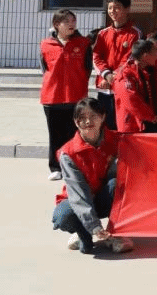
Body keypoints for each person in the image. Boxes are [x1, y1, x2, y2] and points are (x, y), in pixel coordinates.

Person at [51, 98, 132, 255]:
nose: (88, 122)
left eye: (93, 116)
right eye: (82, 118)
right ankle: (83, 233)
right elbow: (78, 194)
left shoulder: (118, 141)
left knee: (117, 184)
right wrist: (94, 226)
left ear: (102, 117)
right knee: (62, 216)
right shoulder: (68, 153)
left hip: (104, 197)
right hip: (79, 200)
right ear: (76, 122)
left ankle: (116, 232)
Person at [40, 9, 91, 180]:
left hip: (76, 96)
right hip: (52, 97)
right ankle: (55, 167)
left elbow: (87, 68)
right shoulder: (46, 44)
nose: (72, 24)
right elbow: (45, 69)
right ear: (56, 24)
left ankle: (75, 166)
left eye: (73, 21)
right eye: (67, 21)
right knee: (55, 135)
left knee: (75, 134)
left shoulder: (83, 43)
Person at [92, 0, 141, 131]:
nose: (112, 11)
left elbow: (130, 59)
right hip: (104, 86)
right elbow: (96, 56)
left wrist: (114, 77)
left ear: (127, 9)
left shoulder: (135, 34)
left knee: (123, 125)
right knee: (105, 126)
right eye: (110, 8)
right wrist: (106, 75)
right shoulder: (103, 34)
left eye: (117, 8)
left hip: (123, 86)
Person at [112, 39, 157, 134]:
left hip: (148, 123)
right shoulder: (125, 75)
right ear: (145, 56)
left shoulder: (149, 71)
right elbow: (132, 101)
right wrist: (153, 118)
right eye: (154, 53)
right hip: (132, 126)